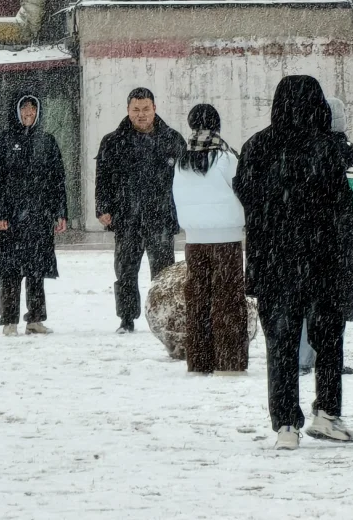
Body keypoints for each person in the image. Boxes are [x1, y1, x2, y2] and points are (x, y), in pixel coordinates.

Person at [233, 75, 353, 448]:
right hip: (325, 259)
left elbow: (245, 194)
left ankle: (286, 423)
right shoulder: (335, 148)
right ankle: (327, 413)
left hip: (273, 260)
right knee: (329, 339)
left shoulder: (256, 147)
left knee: (281, 342)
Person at [299, 96, 353, 377]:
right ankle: (330, 356)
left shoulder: (303, 152)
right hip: (344, 244)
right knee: (336, 303)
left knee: (308, 300)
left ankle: (302, 357)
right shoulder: (349, 156)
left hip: (311, 243)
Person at [95, 87, 186, 333]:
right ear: (128, 110)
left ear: (155, 109)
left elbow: (184, 182)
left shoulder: (173, 139)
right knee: (125, 271)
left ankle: (165, 318)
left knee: (164, 273)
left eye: (146, 109)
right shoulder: (113, 141)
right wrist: (102, 208)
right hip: (127, 218)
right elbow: (102, 178)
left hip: (161, 217)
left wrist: (183, 212)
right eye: (136, 109)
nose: (141, 114)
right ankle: (126, 318)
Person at [171, 103, 247, 373]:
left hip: (194, 240)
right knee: (228, 301)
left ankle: (200, 360)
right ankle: (230, 361)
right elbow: (243, 190)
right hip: (226, 240)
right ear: (217, 125)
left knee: (198, 301)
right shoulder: (227, 159)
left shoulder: (181, 160)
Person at [0, 92, 69, 336]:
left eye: (33, 109)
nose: (29, 114)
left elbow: (58, 179)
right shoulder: (1, 142)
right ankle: (9, 320)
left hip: (40, 215)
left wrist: (60, 211)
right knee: (10, 270)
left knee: (37, 268)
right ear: (16, 110)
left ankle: (35, 319)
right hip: (11, 217)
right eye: (24, 109)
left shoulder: (47, 141)